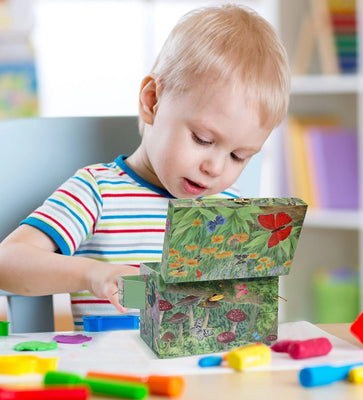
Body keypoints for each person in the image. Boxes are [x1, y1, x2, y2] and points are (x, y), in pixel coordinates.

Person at [0, 4, 290, 330]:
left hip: (202, 373)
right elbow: (7, 261)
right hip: (111, 374)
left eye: (239, 156)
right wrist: (92, 273)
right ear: (152, 101)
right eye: (203, 139)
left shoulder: (228, 207)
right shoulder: (99, 192)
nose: (215, 167)